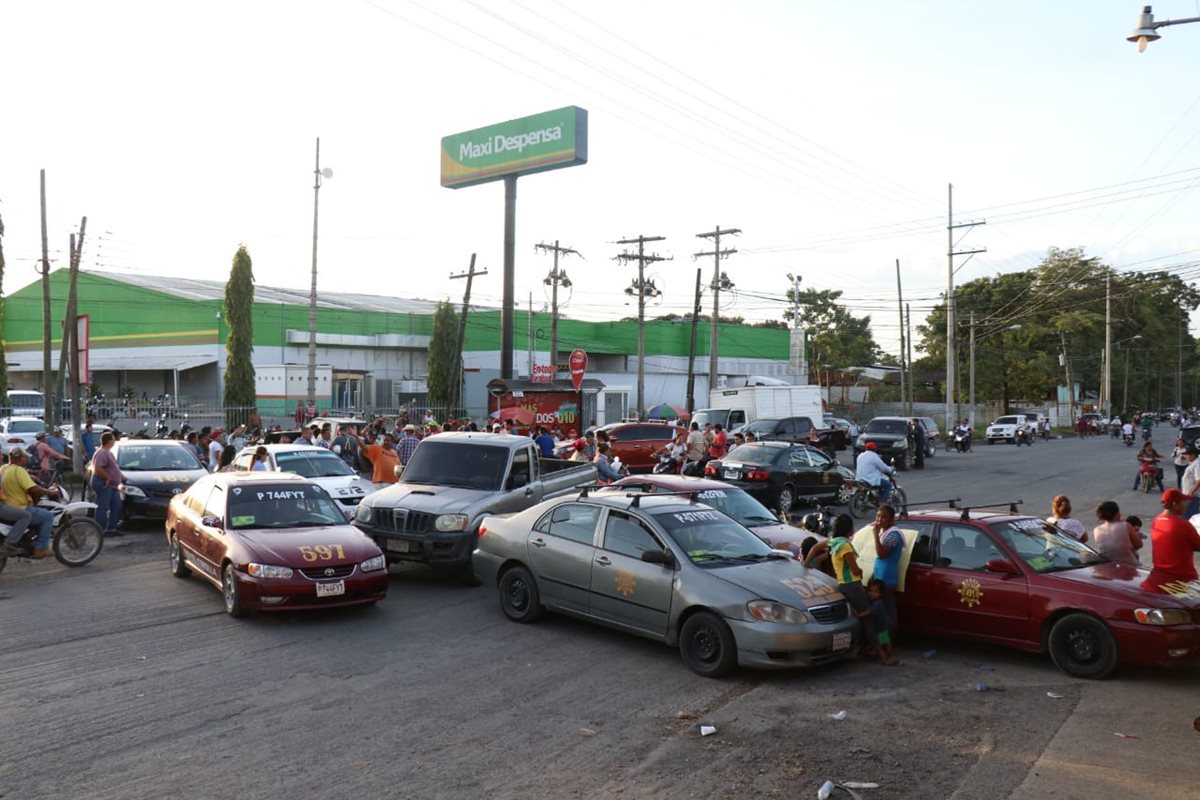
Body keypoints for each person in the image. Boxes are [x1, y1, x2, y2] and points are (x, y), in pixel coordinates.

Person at [803, 513, 875, 659]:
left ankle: (861, 648)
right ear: (850, 530)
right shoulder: (845, 545)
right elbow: (854, 569)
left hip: (841, 584)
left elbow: (815, 547)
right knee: (868, 619)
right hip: (853, 585)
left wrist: (805, 564)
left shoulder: (833, 542)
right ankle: (875, 649)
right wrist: (860, 571)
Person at [0, 448, 60, 557]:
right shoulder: (19, 470)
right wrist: (50, 492)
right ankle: (40, 549)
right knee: (47, 516)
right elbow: (33, 489)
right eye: (25, 457)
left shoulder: (4, 468)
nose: (26, 459)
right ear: (19, 458)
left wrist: (31, 476)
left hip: (7, 505)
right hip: (19, 507)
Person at [1150, 489, 1200, 581]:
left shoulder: (1156, 521)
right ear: (1174, 504)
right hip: (1183, 578)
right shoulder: (1183, 524)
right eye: (1183, 502)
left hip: (1159, 574)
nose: (1186, 505)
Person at [870, 504, 905, 637]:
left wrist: (875, 535)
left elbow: (881, 553)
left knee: (886, 615)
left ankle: (887, 642)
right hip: (880, 579)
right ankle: (883, 643)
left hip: (887, 580)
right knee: (881, 614)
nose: (879, 520)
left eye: (884, 517)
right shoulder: (885, 532)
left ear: (891, 519)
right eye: (878, 516)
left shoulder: (893, 534)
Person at [89, 432, 125, 538]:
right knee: (102, 507)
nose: (114, 441)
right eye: (113, 439)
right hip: (104, 483)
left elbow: (113, 468)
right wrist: (107, 478)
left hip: (113, 485)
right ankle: (100, 529)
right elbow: (98, 468)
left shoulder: (108, 452)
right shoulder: (102, 452)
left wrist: (121, 477)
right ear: (109, 441)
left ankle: (111, 528)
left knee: (116, 505)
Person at [1091, 501, 1142, 566]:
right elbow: (1139, 545)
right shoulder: (1125, 525)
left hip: (1108, 566)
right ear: (1117, 514)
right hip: (1129, 565)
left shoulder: (1097, 530)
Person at [866, 578, 900, 666]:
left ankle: (885, 659)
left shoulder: (876, 604)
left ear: (881, 594)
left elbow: (867, 613)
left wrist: (857, 614)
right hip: (884, 628)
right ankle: (890, 656)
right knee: (886, 642)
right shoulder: (880, 603)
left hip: (879, 630)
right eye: (870, 591)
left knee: (879, 645)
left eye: (875, 592)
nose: (871, 593)